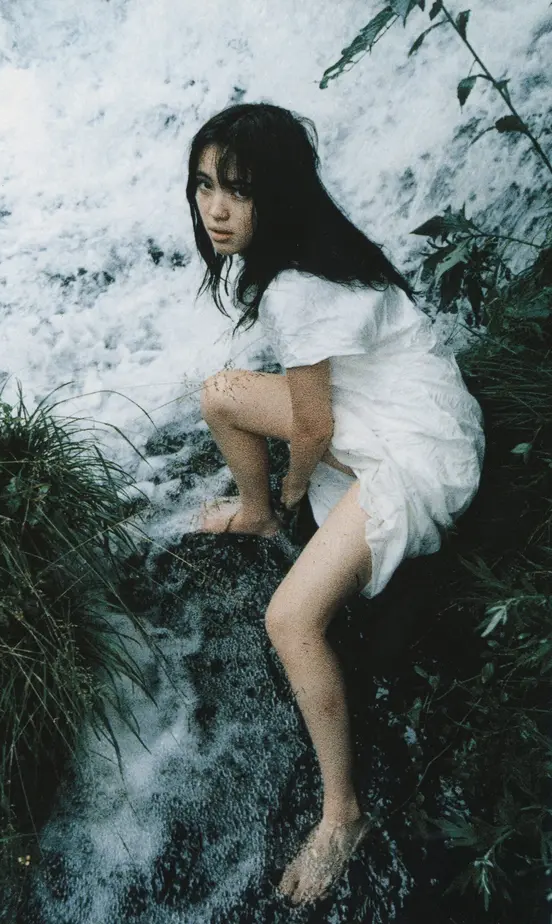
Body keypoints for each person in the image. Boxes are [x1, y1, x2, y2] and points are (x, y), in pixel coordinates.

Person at [185, 102, 485, 906]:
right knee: (221, 394)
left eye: (240, 190)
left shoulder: (295, 288)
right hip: (415, 410)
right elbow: (317, 408)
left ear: (278, 193)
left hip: (416, 452)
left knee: (290, 620)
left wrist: (295, 488)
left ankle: (342, 814)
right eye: (206, 185)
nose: (216, 208)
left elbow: (314, 427)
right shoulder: (323, 243)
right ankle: (253, 514)